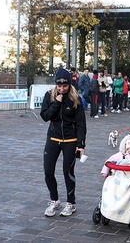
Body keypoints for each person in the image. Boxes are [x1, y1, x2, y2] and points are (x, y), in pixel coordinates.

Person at [40, 68, 87, 217]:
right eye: (59, 86)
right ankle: (54, 200)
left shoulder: (75, 99)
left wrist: (81, 145)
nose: (62, 89)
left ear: (70, 85)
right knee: (48, 172)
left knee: (68, 172)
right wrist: (56, 103)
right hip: (53, 138)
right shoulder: (49, 96)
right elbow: (45, 116)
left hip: (70, 140)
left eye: (65, 86)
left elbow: (81, 124)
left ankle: (71, 203)